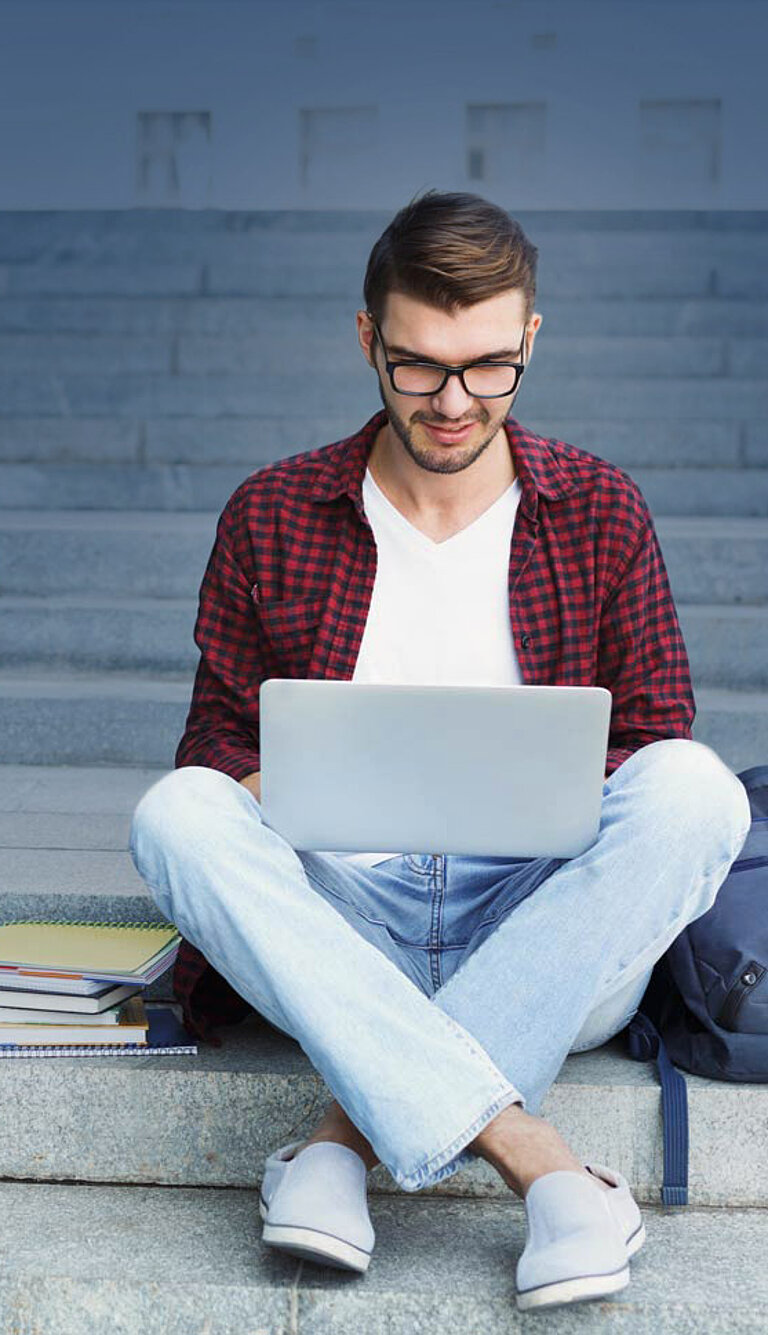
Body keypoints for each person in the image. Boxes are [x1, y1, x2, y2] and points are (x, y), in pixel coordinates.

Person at [129, 190, 751, 1313]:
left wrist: (553, 796)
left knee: (696, 792)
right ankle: (544, 1165)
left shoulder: (602, 509)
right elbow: (214, 743)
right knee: (174, 814)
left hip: (544, 921)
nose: (455, 402)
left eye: (489, 367)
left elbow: (656, 732)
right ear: (367, 338)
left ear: (530, 340)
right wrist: (290, 786)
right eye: (418, 367)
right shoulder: (271, 512)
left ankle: (339, 1144)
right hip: (341, 917)